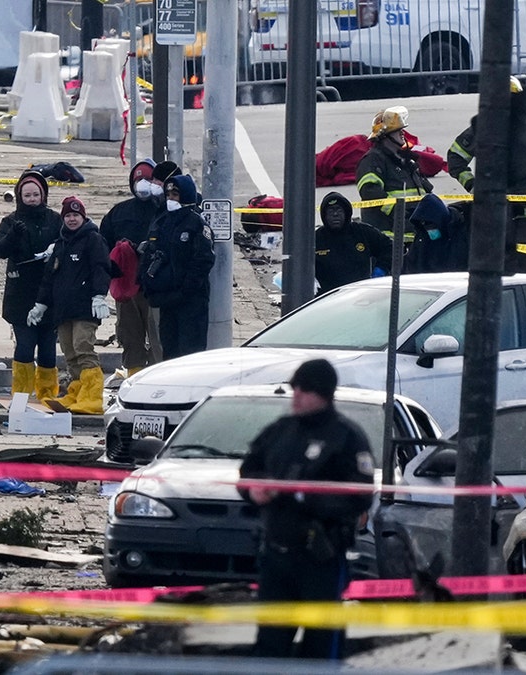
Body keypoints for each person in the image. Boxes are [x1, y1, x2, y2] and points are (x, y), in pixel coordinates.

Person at [238, 359, 373, 659]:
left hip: (320, 558)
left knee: (321, 648)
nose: (296, 394)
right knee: (270, 645)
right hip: (277, 555)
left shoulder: (346, 437)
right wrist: (253, 489)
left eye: (304, 389)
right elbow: (249, 468)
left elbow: (360, 497)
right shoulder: (281, 431)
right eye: (294, 387)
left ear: (323, 393)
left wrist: (302, 496)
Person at [447, 76, 526, 274]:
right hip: (493, 213)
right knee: (495, 269)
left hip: (525, 214)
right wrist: (473, 185)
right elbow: (455, 156)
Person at [27, 196, 111, 414]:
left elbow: (101, 268)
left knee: (83, 347)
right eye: (68, 216)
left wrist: (99, 295)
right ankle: (76, 391)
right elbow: (50, 277)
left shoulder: (93, 239)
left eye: (76, 215)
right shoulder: (61, 243)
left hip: (85, 308)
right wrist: (41, 304)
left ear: (83, 217)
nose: (72, 219)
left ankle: (92, 396)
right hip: (63, 310)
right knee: (70, 352)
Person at [0, 171, 62, 402]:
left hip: (50, 294)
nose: (32, 199)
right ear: (19, 196)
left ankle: (47, 395)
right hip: (20, 296)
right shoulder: (10, 221)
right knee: (24, 346)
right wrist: (13, 236)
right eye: (27, 195)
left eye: (36, 194)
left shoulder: (55, 220)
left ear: (43, 195)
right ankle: (21, 396)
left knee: (47, 349)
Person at [137, 174, 215, 360]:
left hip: (190, 301)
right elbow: (152, 252)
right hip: (167, 299)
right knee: (169, 350)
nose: (171, 198)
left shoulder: (196, 224)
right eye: (169, 194)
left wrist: (186, 289)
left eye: (175, 194)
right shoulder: (163, 221)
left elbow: (203, 260)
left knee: (190, 353)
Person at [100, 159, 163, 373]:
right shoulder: (118, 213)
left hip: (157, 287)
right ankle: (134, 376)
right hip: (127, 287)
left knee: (158, 338)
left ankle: (157, 378)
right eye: (139, 180)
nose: (143, 184)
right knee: (129, 335)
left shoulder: (165, 211)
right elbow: (103, 248)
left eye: (148, 179)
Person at [355, 106, 434, 233]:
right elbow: (370, 192)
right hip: (390, 235)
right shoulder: (373, 159)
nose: (403, 133)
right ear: (384, 135)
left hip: (414, 232)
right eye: (397, 130)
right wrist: (398, 212)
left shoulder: (406, 161)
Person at [314, 191, 392, 293]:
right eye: (330, 211)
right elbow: (300, 264)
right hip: (328, 297)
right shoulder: (317, 238)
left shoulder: (362, 232)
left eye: (339, 210)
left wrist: (381, 269)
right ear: (324, 215)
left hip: (361, 294)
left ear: (347, 212)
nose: (335, 214)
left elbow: (390, 247)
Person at [406, 194, 470, 273]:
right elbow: (411, 264)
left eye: (430, 224)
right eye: (424, 224)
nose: (428, 228)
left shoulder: (462, 232)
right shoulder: (422, 237)